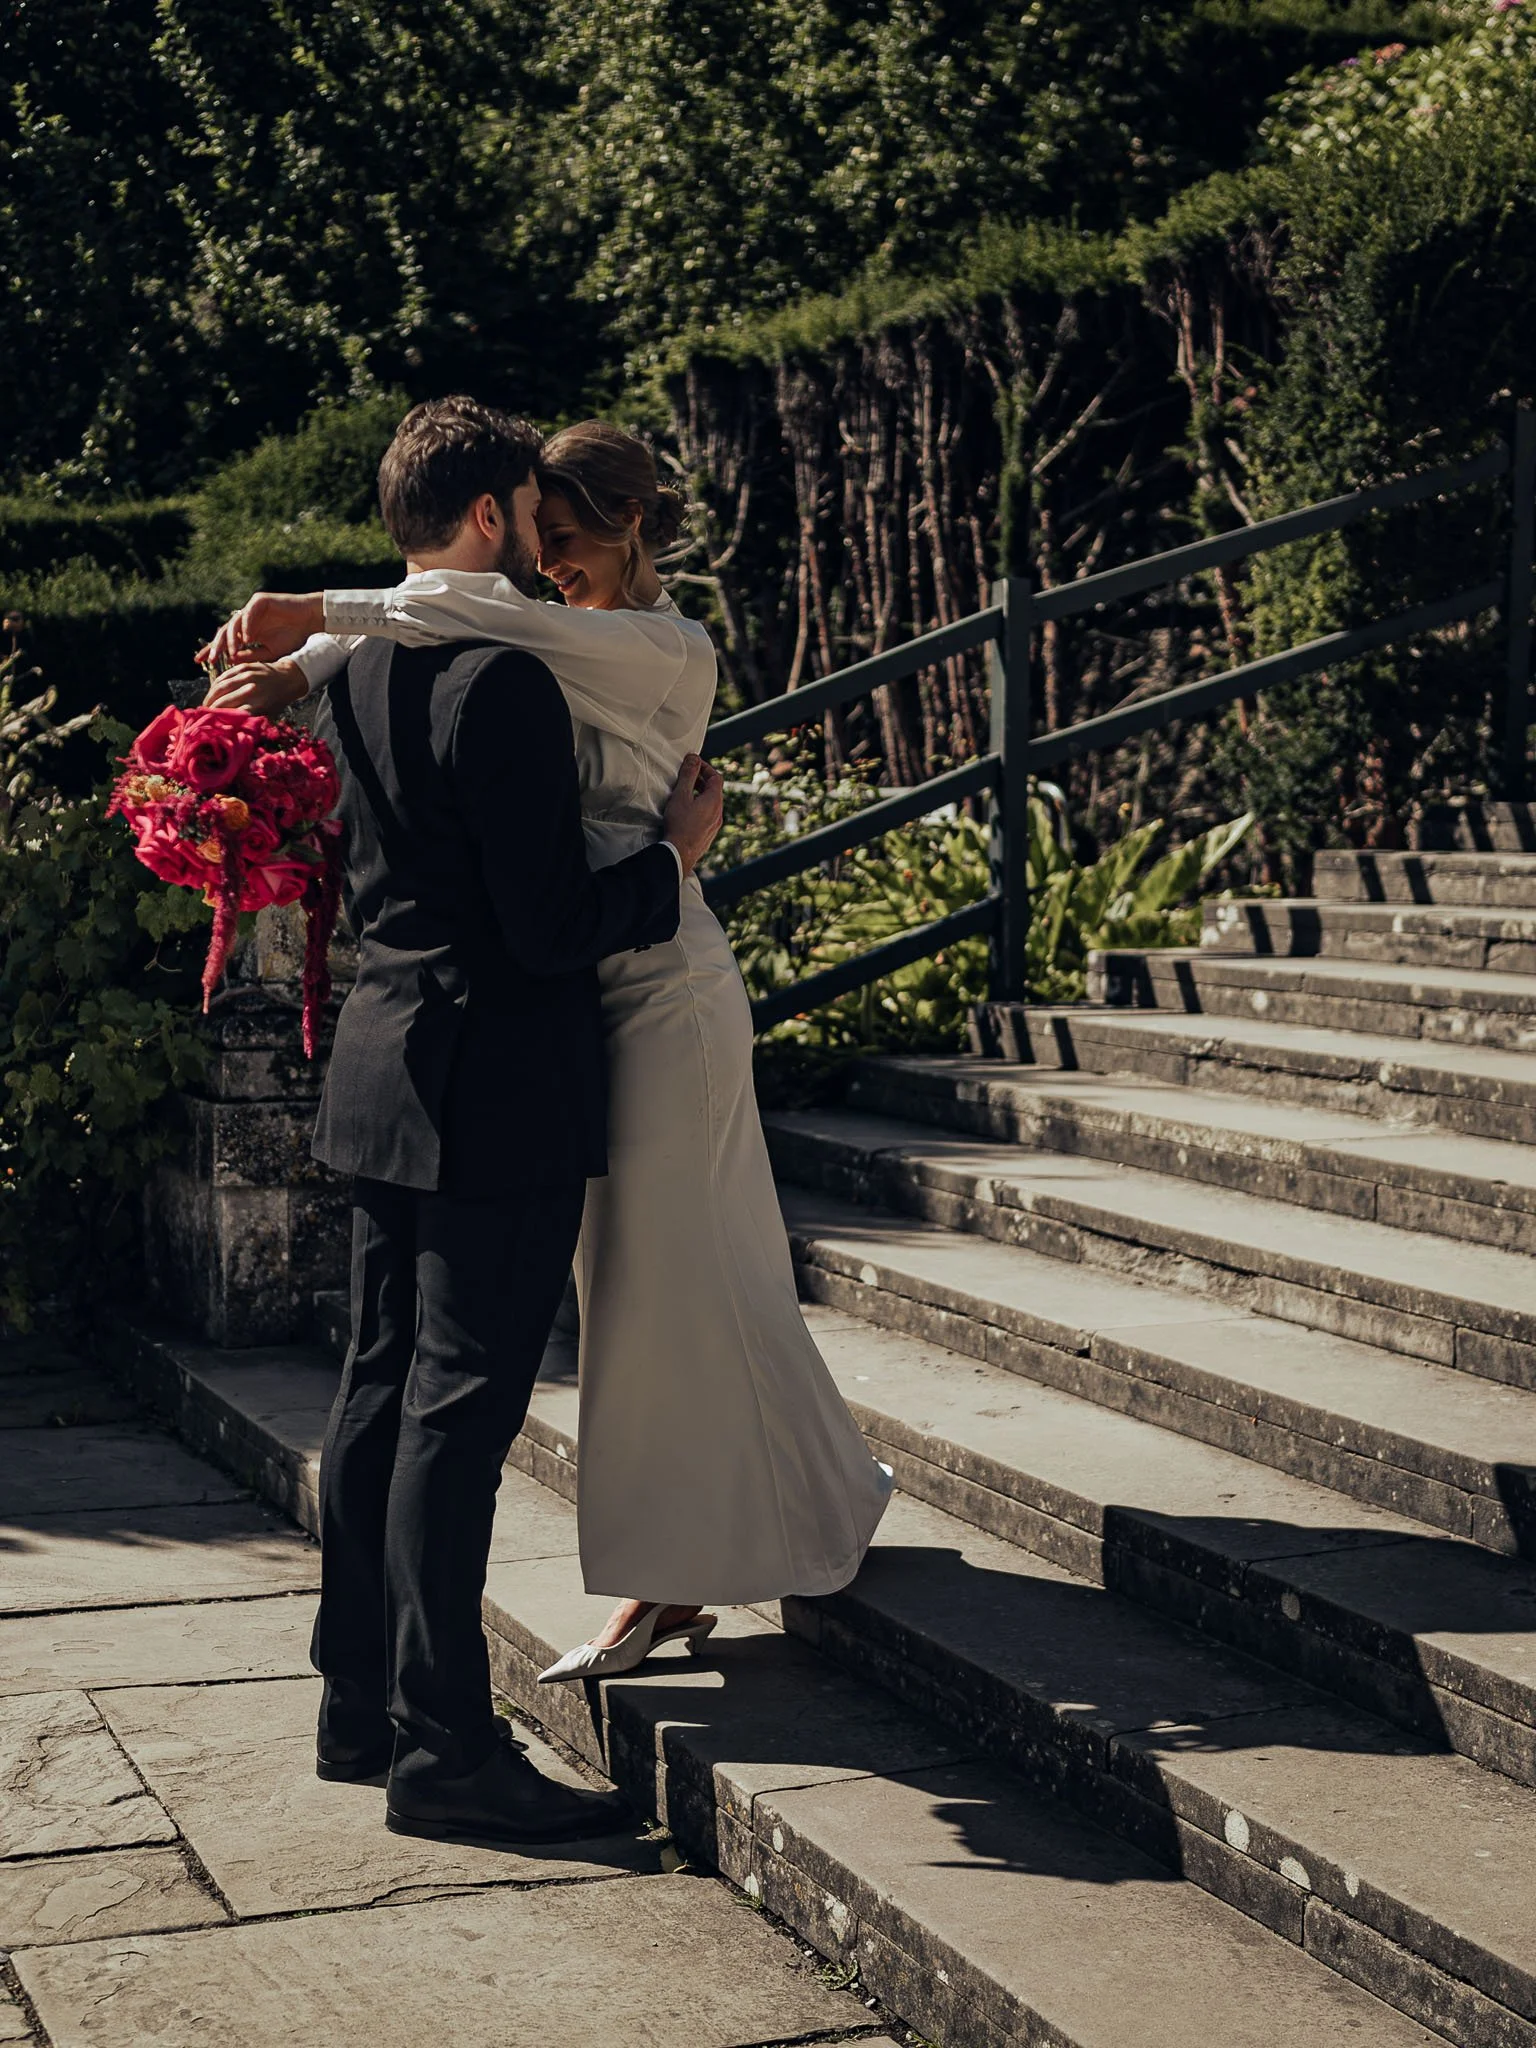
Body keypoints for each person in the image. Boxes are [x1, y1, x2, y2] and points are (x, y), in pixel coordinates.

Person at [202, 408, 892, 1691]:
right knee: (682, 1278)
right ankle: (822, 1488)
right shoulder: (509, 627)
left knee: (669, 1283)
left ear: (631, 533)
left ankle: (662, 1576)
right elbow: (468, 612)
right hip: (570, 991)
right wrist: (306, 673)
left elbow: (482, 613)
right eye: (538, 539)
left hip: (660, 991)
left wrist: (310, 617)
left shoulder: (656, 647)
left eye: (568, 540)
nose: (548, 564)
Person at [229, 397, 725, 1845]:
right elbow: (549, 922)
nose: (538, 545)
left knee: (377, 1400)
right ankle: (446, 1750)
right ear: (495, 515)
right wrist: (672, 864)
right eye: (528, 513)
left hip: (384, 1070)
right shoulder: (494, 678)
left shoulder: (364, 674)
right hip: (497, 1084)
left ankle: (356, 1706)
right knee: (457, 1416)